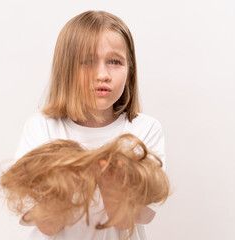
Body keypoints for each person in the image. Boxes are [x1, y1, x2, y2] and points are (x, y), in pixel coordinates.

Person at [14, 10, 166, 240]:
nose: (102, 74)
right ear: (65, 71)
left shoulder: (144, 130)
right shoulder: (42, 128)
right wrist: (70, 179)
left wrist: (105, 176)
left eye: (115, 61)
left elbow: (136, 216)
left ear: (130, 71)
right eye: (87, 62)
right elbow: (46, 224)